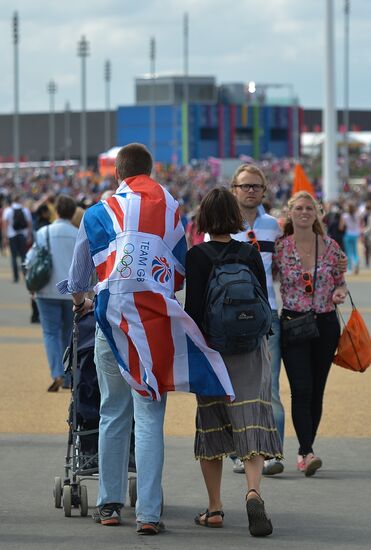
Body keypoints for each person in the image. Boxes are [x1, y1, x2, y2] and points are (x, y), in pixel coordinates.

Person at [57, 143, 233, 535]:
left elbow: (79, 277)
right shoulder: (172, 211)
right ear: (150, 172)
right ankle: (150, 513)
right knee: (150, 419)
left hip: (109, 324)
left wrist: (83, 299)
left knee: (111, 413)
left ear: (118, 174)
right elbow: (179, 273)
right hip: (153, 326)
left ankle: (109, 503)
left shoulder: (98, 212)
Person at [185, 187, 282, 537]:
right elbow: (261, 298)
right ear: (235, 216)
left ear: (204, 219)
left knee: (211, 422)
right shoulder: (250, 252)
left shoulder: (196, 256)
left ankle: (214, 508)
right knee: (250, 416)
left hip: (214, 351)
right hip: (251, 350)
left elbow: (193, 311)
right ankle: (253, 490)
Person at [273, 191, 347, 476]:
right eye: (299, 208)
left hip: (326, 323)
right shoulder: (280, 248)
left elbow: (341, 283)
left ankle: (307, 448)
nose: (305, 212)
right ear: (290, 213)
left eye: (310, 208)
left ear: (317, 214)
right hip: (293, 322)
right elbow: (267, 277)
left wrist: (339, 292)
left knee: (317, 391)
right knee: (300, 389)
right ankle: (306, 451)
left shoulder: (331, 247)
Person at [230, 164, 285, 476]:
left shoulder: (273, 226)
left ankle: (272, 453)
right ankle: (240, 453)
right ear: (234, 190)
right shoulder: (223, 225)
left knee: (270, 386)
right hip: (231, 316)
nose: (250, 191)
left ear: (264, 191)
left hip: (268, 314)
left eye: (255, 186)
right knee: (236, 387)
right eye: (244, 186)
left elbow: (283, 266)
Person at [25, 195, 78, 391]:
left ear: (56, 210)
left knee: (50, 333)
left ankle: (57, 372)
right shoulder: (78, 233)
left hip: (46, 289)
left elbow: (30, 258)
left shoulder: (44, 232)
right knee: (69, 334)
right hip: (71, 290)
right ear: (73, 213)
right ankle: (68, 375)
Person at [2, 194, 33, 283]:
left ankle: (15, 277)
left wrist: (5, 237)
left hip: (11, 235)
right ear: (20, 200)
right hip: (22, 234)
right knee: (23, 255)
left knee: (14, 257)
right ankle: (25, 275)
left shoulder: (8, 210)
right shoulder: (25, 210)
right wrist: (29, 235)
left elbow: (5, 224)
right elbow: (29, 223)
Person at [340, 202, 362, 274]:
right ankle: (356, 261)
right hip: (356, 234)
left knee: (348, 251)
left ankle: (349, 268)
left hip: (348, 234)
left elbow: (341, 227)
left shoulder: (345, 216)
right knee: (355, 251)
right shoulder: (357, 215)